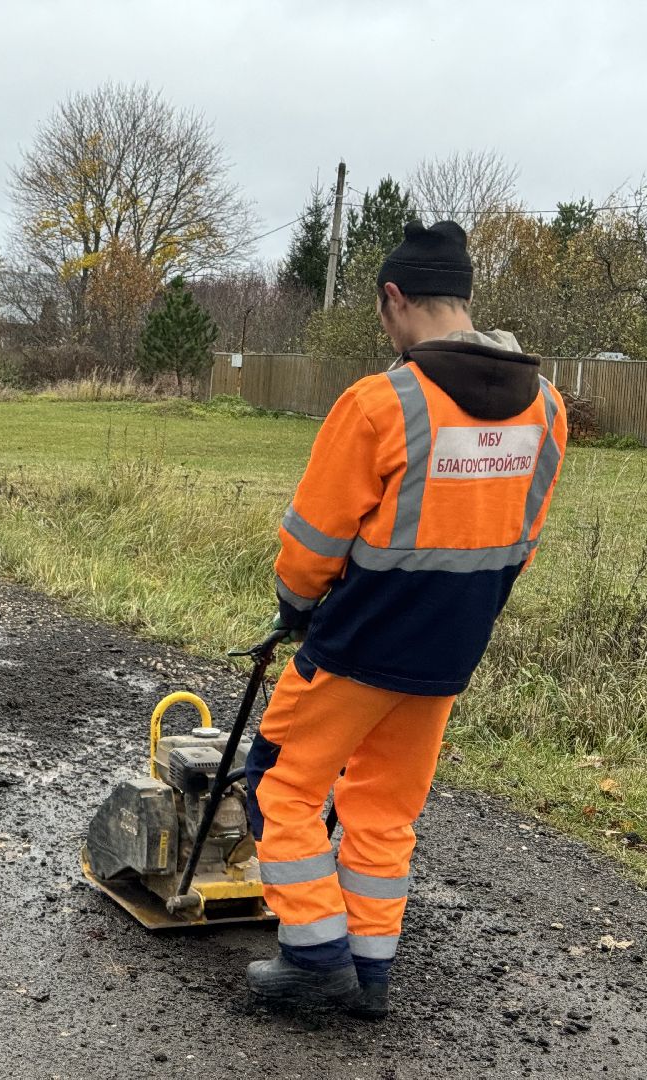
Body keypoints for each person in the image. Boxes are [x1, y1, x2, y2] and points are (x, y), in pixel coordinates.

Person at [243, 220, 568, 1019]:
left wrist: (296, 606)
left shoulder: (380, 402)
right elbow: (523, 539)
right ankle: (370, 969)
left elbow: (312, 545)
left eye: (381, 312)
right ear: (462, 297)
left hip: (358, 644)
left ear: (395, 298)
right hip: (450, 651)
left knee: (279, 787)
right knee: (385, 806)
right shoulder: (548, 408)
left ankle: (315, 953)